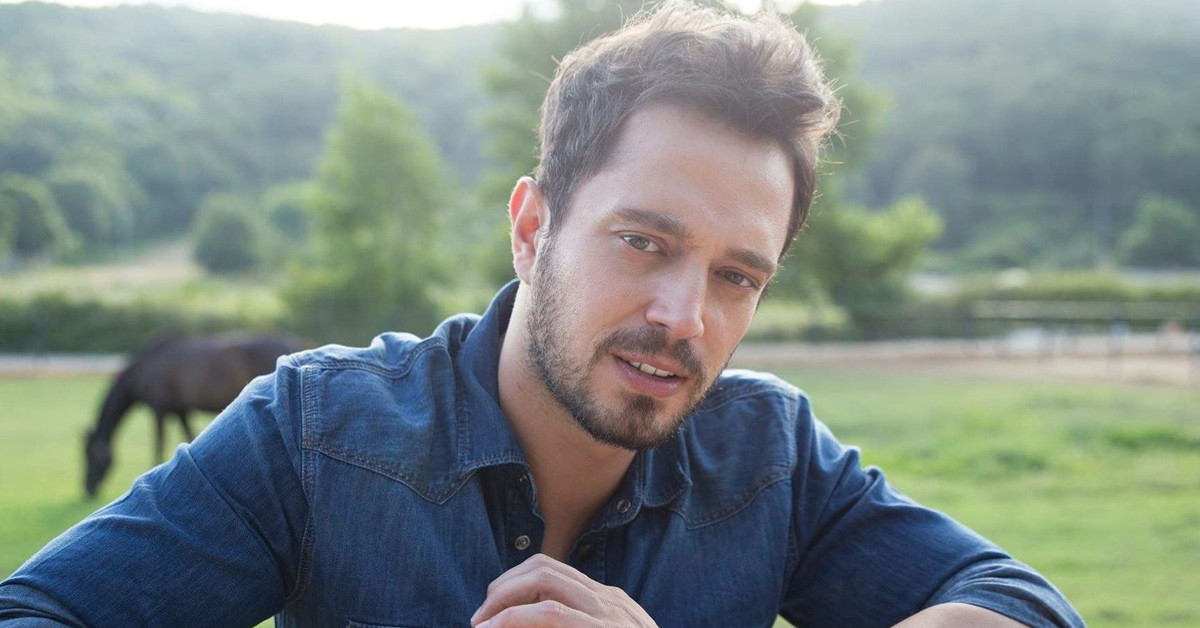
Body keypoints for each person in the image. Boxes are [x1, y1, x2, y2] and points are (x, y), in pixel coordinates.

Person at [0, 3, 1084, 627]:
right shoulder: (317, 433)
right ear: (531, 227)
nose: (684, 317)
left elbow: (1021, 603)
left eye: (737, 276)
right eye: (643, 241)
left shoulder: (771, 455)